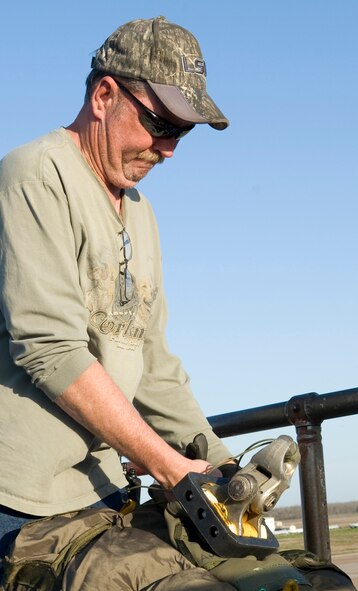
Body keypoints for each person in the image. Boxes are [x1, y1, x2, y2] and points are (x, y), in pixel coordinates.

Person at [0, 15, 239, 590]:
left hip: (104, 492)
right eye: (159, 123)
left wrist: (223, 466)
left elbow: (152, 365)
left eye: (182, 133)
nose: (168, 149)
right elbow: (51, 351)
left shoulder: (140, 211)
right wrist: (167, 464)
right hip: (22, 504)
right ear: (105, 94)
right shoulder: (36, 176)